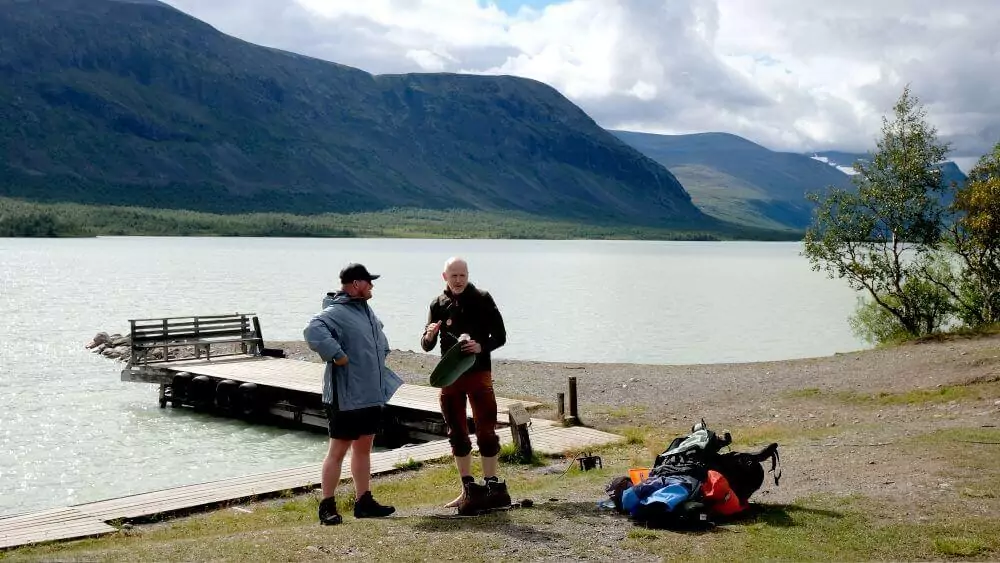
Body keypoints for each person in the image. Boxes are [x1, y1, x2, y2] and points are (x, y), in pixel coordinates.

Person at [304, 262, 403, 525]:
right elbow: (312, 330)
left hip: (370, 393)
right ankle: (327, 506)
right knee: (337, 451)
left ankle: (363, 502)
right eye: (368, 281)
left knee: (364, 449)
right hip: (346, 396)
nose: (372, 285)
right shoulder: (336, 311)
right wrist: (337, 355)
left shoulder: (365, 310)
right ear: (356, 284)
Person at [420, 256, 510, 514]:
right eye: (453, 275)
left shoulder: (482, 298)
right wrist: (429, 335)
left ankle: (492, 486)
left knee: (486, 430)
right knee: (457, 432)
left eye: (462, 275)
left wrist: (481, 346)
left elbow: (501, 336)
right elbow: (426, 344)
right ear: (444, 277)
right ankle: (468, 489)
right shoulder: (438, 303)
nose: (458, 280)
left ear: (468, 275)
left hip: (479, 372)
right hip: (450, 376)